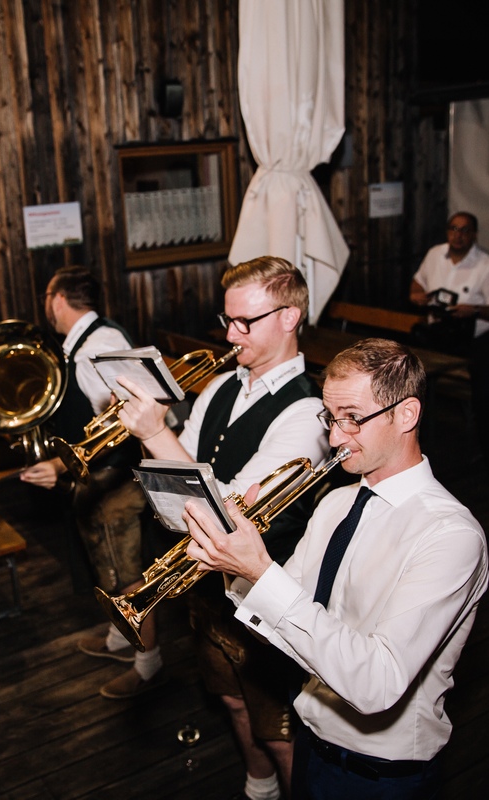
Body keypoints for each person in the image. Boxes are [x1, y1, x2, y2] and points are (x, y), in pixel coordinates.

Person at [182, 338, 489, 799]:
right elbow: (286, 623)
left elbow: (376, 685)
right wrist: (234, 564)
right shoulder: (336, 502)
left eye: (353, 418)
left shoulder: (450, 536)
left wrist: (262, 573)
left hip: (378, 775)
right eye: (331, 418)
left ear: (406, 415)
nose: (335, 438)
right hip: (311, 741)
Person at [117, 256, 328, 800]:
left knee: (278, 728)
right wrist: (161, 443)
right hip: (208, 588)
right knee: (231, 700)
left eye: (245, 322)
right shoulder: (220, 389)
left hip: (267, 600)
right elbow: (175, 494)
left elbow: (227, 513)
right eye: (227, 319)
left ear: (290, 317)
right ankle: (258, 788)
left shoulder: (307, 412)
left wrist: (155, 432)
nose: (230, 334)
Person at [19, 266, 162, 700]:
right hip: (100, 477)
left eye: (47, 297)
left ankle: (148, 663)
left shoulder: (95, 348)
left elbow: (119, 422)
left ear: (57, 299)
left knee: (127, 576)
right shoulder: (90, 340)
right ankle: (121, 638)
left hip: (114, 478)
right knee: (109, 566)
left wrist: (62, 466)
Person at [410, 212, 489, 475]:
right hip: (442, 334)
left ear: (474, 235)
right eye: (453, 229)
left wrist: (475, 310)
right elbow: (417, 283)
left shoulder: (486, 266)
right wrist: (418, 296)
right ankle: (421, 455)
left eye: (465, 230)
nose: (458, 235)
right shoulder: (435, 255)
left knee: (485, 398)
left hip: (477, 338)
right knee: (414, 384)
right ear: (447, 232)